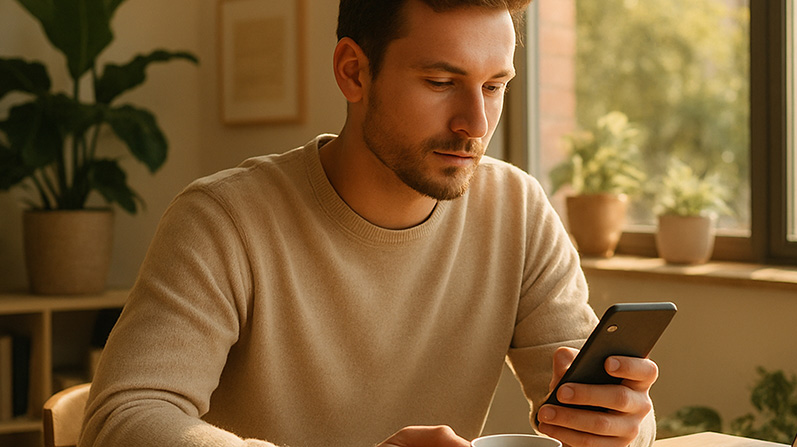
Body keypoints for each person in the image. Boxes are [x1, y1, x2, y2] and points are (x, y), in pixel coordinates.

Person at [79, 1, 659, 446]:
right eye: (440, 83)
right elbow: (123, 419)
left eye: (495, 86)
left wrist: (624, 423)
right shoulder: (223, 221)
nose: (475, 123)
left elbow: (597, 400)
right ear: (353, 71)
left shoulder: (518, 210)